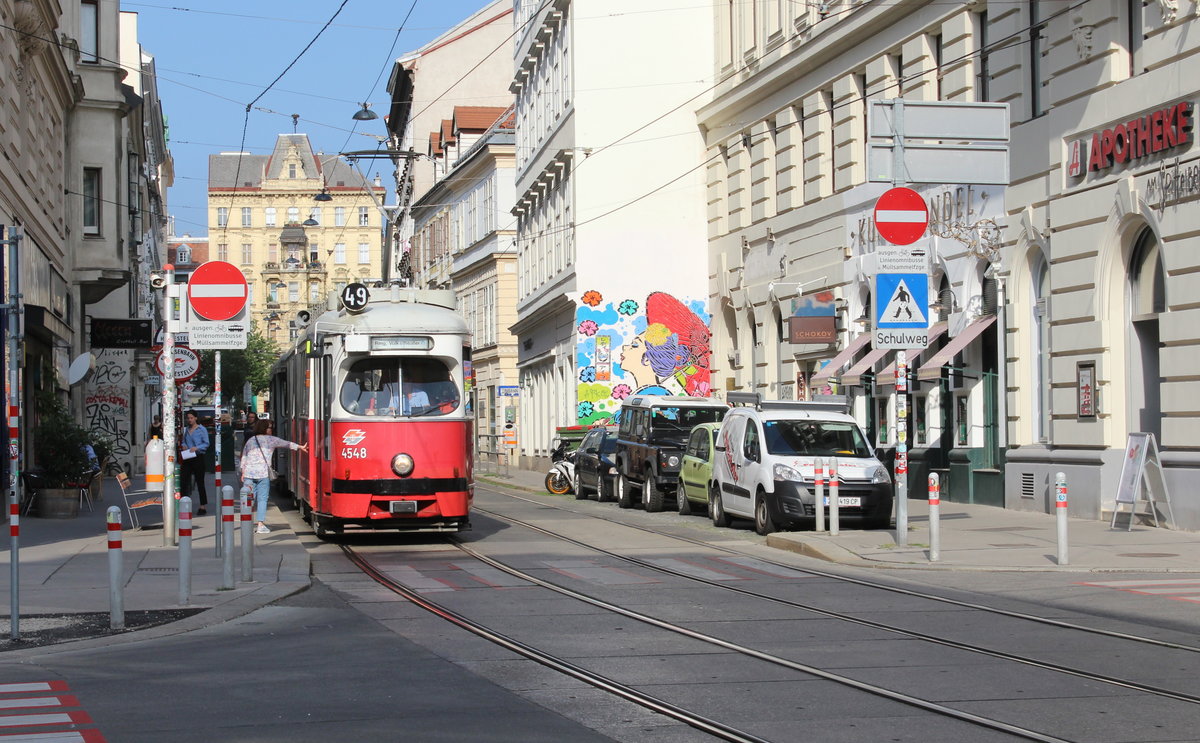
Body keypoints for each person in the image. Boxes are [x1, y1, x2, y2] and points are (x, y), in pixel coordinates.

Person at [239, 419, 307, 534]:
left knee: (248, 499)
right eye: (270, 427)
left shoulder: (251, 440)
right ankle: (260, 525)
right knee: (262, 500)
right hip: (263, 474)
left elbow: (244, 456)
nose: (271, 429)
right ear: (265, 428)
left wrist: (243, 472)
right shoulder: (271, 440)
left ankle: (246, 523)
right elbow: (287, 444)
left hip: (249, 474)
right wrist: (300, 447)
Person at [180, 409, 210, 515]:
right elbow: (184, 440)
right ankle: (184, 503)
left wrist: (197, 448)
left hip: (198, 457)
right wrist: (184, 445)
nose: (190, 420)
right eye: (188, 418)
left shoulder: (201, 429)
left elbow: (206, 443)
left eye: (191, 418)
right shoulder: (186, 430)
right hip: (188, 457)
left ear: (196, 418)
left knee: (200, 482)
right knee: (183, 480)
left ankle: (203, 506)